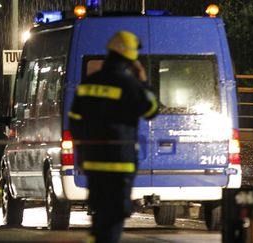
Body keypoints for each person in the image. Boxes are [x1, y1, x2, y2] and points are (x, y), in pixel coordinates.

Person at [68, 31, 159, 243]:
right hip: (119, 163)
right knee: (115, 214)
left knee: (100, 212)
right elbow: (151, 110)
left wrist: (84, 148)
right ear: (130, 58)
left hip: (93, 161)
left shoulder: (89, 83)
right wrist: (144, 82)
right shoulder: (128, 84)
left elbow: (74, 121)